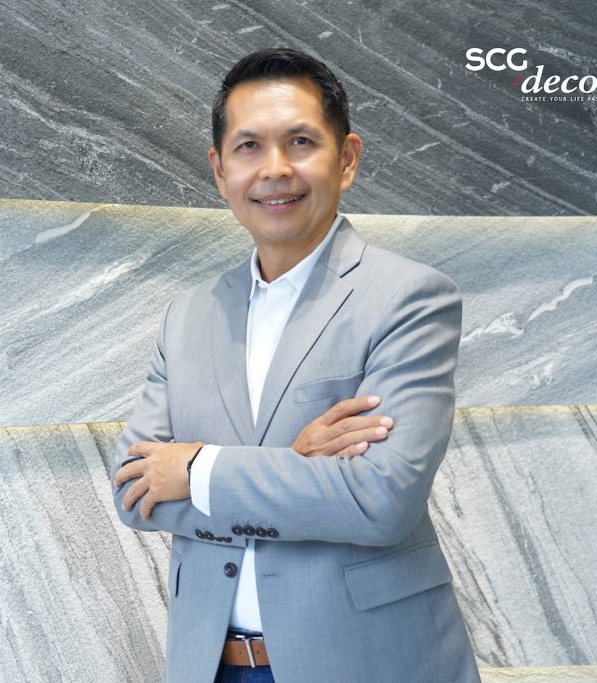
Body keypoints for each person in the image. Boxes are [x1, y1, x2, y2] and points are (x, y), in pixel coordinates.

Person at [111, 47, 479, 683]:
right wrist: (297, 462)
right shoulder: (187, 316)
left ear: (347, 158)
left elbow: (379, 499)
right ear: (220, 169)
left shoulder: (410, 298)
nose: (275, 169)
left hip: (363, 663)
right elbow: (134, 490)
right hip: (210, 665)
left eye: (301, 142)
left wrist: (197, 470)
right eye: (249, 146)